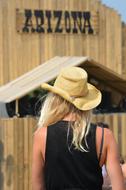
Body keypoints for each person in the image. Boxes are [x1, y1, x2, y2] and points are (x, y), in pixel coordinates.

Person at [32, 66, 125, 190]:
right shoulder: (104, 136)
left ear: (55, 99)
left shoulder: (42, 135)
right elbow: (119, 187)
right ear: (86, 102)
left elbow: (37, 186)